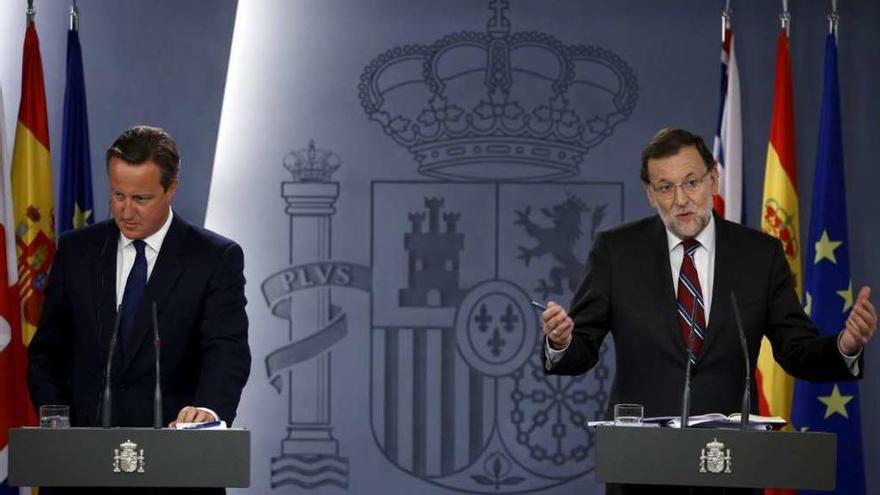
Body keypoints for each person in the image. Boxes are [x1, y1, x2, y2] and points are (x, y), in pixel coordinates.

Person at [540, 128, 876, 495]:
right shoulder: (615, 251)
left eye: (691, 182)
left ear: (713, 179)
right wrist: (561, 341)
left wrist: (845, 344)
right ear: (650, 194)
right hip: (642, 470)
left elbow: (796, 350)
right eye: (665, 187)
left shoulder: (759, 255)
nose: (681, 199)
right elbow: (581, 348)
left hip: (731, 468)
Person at [27, 125, 250, 492]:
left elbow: (227, 351)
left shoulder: (214, 258)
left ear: (171, 188)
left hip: (177, 469)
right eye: (118, 195)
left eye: (141, 199)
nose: (126, 211)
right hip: (81, 469)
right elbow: (46, 351)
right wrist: (58, 422)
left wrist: (208, 414)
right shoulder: (76, 251)